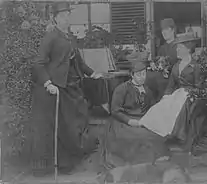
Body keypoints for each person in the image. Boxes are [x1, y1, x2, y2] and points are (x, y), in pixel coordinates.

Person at [30, 2, 103, 176]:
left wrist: (92, 73)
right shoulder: (51, 37)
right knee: (57, 127)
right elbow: (38, 63)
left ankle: (67, 162)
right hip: (54, 89)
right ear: (55, 18)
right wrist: (48, 83)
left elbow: (77, 61)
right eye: (62, 16)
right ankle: (51, 168)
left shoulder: (68, 37)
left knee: (71, 124)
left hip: (69, 87)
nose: (66, 18)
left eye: (67, 15)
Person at [139, 33, 207, 151]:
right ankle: (158, 133)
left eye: (180, 48)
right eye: (177, 48)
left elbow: (200, 86)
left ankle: (177, 134)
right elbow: (171, 85)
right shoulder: (176, 66)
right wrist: (166, 96)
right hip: (178, 93)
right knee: (163, 105)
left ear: (188, 49)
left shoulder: (196, 66)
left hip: (191, 94)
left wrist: (190, 93)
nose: (177, 50)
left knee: (179, 105)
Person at [101, 61, 169, 167]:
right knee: (138, 136)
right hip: (123, 121)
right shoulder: (122, 89)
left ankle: (155, 161)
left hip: (142, 120)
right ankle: (139, 164)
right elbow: (115, 110)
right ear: (132, 75)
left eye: (144, 74)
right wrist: (129, 121)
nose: (142, 77)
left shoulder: (147, 90)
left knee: (157, 134)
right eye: (138, 74)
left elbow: (152, 108)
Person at [146, 18, 179, 102]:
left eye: (167, 29)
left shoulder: (179, 46)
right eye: (162, 30)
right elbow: (157, 61)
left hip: (174, 78)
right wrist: (153, 64)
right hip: (161, 76)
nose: (164, 32)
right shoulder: (162, 48)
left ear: (173, 30)